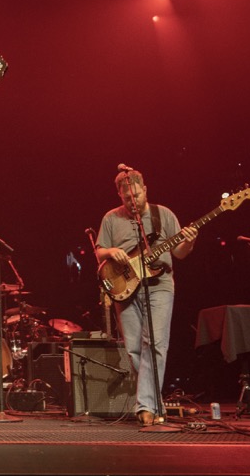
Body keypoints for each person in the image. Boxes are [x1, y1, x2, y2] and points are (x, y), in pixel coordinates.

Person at [94, 166, 197, 426]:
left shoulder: (164, 215)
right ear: (119, 195)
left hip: (159, 285)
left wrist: (189, 241)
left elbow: (180, 253)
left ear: (145, 190)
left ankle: (144, 407)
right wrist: (112, 251)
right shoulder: (111, 218)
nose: (133, 201)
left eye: (137, 196)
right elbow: (99, 252)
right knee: (133, 349)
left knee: (156, 344)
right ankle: (153, 402)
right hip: (125, 286)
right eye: (127, 198)